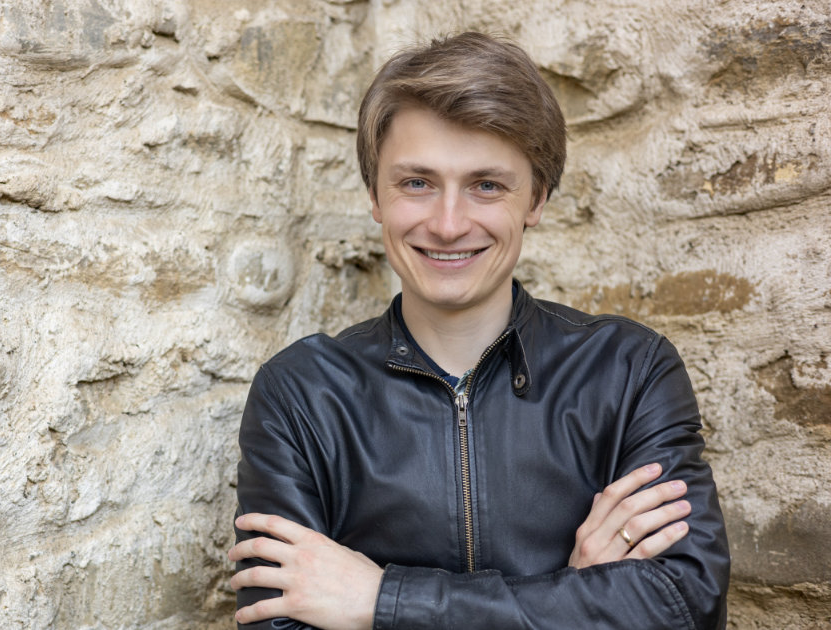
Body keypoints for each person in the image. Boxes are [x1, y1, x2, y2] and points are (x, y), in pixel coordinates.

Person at [227, 32, 729, 629]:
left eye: (486, 185)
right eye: (417, 183)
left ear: (536, 198)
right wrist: (575, 595)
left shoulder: (630, 370)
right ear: (375, 196)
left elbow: (683, 608)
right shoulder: (300, 394)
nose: (447, 223)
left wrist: (380, 600)